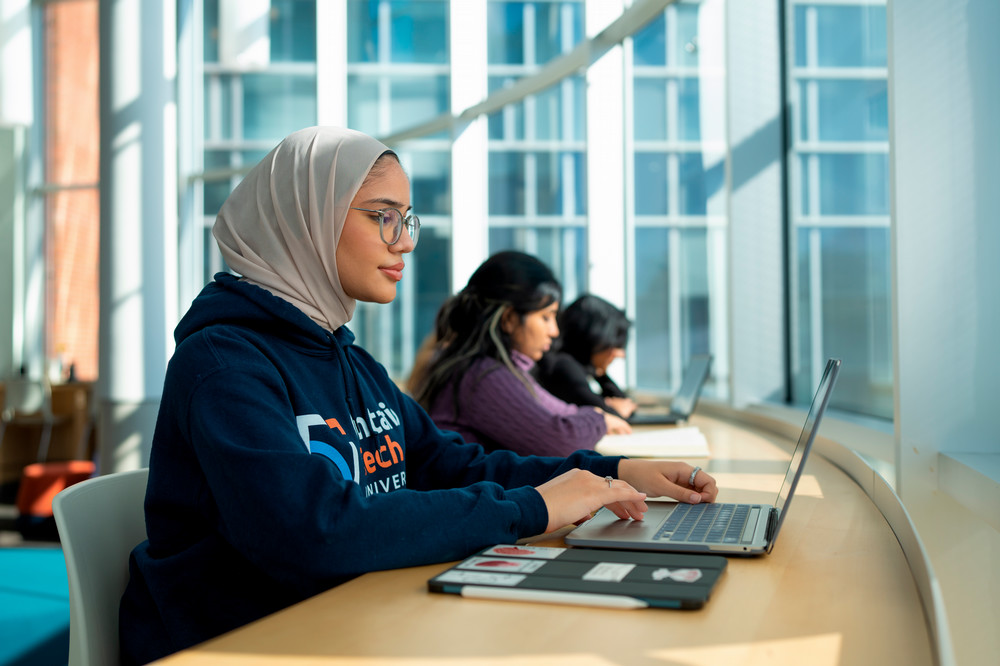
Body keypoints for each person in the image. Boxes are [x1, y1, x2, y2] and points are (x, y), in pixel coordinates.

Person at [117, 127, 718, 664]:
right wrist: (531, 508)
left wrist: (612, 470)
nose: (404, 242)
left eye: (408, 220)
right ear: (307, 219)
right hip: (244, 642)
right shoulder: (224, 364)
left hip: (347, 618)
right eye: (383, 215)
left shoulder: (349, 360)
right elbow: (312, 532)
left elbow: (451, 464)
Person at [416, 251, 633, 456]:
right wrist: (599, 420)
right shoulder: (482, 376)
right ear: (509, 319)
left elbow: (564, 412)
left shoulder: (500, 370)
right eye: (546, 317)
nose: (554, 331)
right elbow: (562, 442)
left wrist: (597, 416)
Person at [533, 294, 639, 419]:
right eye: (615, 344)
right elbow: (610, 417)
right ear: (593, 338)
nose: (620, 354)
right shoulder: (564, 366)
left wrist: (600, 373)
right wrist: (612, 409)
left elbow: (625, 406)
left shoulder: (566, 362)